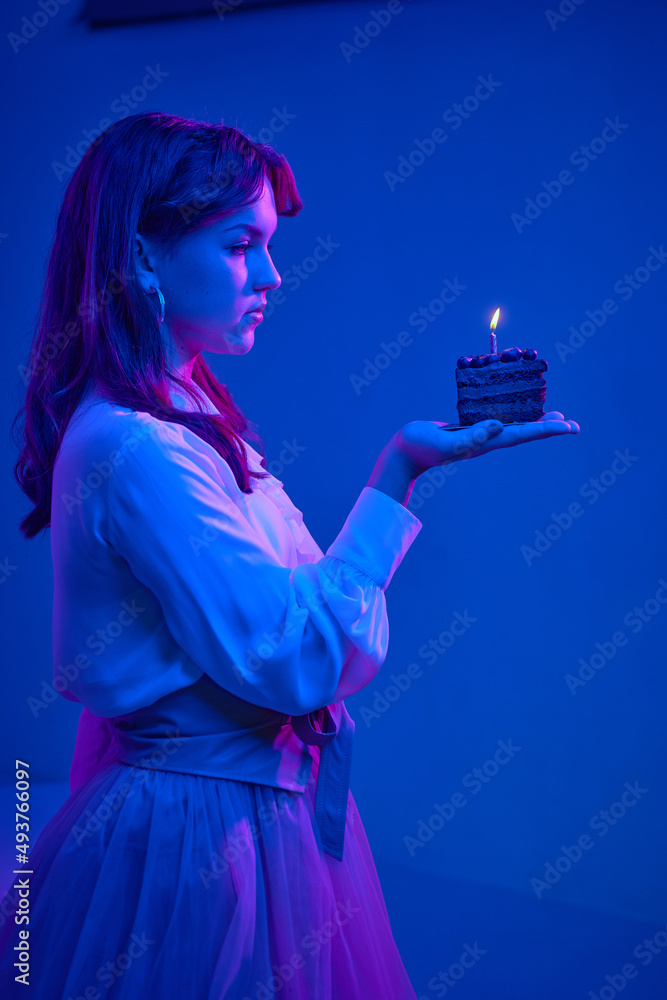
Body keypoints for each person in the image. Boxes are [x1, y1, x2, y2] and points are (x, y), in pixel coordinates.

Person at [0, 112, 579, 999]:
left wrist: (402, 470)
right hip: (199, 841)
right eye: (241, 245)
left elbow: (307, 608)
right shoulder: (137, 448)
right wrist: (397, 475)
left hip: (242, 819)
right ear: (143, 255)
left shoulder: (184, 422)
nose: (271, 275)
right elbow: (297, 656)